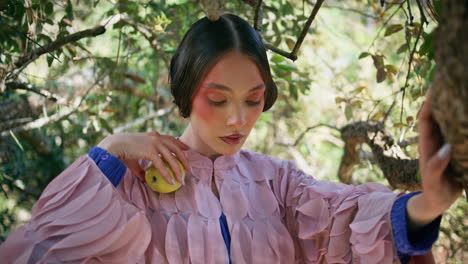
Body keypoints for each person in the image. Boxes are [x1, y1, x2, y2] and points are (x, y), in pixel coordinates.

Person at [0, 13, 462, 264]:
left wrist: (427, 205)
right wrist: (112, 150)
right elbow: (44, 246)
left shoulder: (277, 184)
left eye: (254, 99)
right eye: (217, 100)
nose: (238, 120)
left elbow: (346, 221)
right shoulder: (128, 181)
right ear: (185, 92)